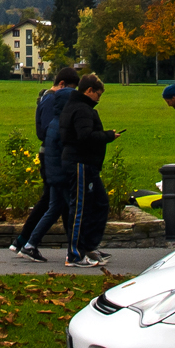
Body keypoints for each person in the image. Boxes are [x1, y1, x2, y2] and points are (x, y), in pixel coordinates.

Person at [11, 64, 83, 262]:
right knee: (56, 203)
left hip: (51, 154)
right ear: (61, 84)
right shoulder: (53, 100)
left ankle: (25, 241)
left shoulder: (47, 97)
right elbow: (50, 130)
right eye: (70, 89)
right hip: (54, 156)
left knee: (52, 203)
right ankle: (74, 248)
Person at [56, 72, 120, 268]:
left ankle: (89, 245)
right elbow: (85, 136)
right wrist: (107, 135)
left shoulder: (76, 106)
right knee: (80, 208)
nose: (98, 100)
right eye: (98, 95)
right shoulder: (82, 109)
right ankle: (75, 254)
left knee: (100, 203)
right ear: (89, 90)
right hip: (80, 162)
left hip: (84, 163)